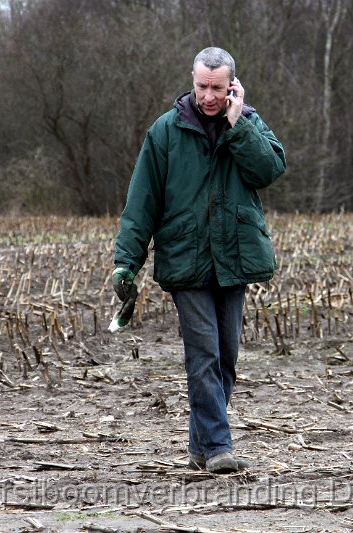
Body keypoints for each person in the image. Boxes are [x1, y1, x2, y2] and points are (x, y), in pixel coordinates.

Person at [111, 47, 286, 474]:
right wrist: (126, 262)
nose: (209, 96)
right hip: (185, 260)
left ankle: (199, 446)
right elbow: (142, 203)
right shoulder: (165, 132)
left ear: (233, 86)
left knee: (226, 357)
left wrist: (237, 124)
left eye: (218, 88)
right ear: (192, 80)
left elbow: (270, 170)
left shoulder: (247, 124)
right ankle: (219, 448)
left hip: (233, 259)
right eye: (202, 86)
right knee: (203, 354)